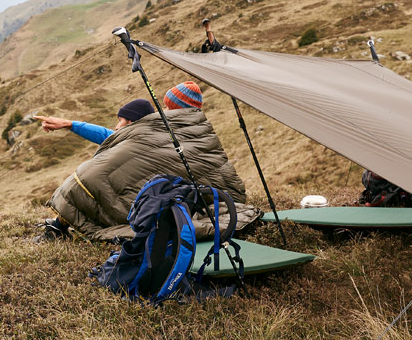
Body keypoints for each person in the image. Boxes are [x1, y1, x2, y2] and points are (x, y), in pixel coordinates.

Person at [39, 82, 254, 241]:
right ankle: (61, 224)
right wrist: (71, 124)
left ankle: (60, 226)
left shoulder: (176, 130)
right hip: (189, 198)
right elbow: (119, 139)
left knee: (93, 181)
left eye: (168, 107)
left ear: (178, 108)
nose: (164, 111)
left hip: (185, 201)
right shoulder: (170, 130)